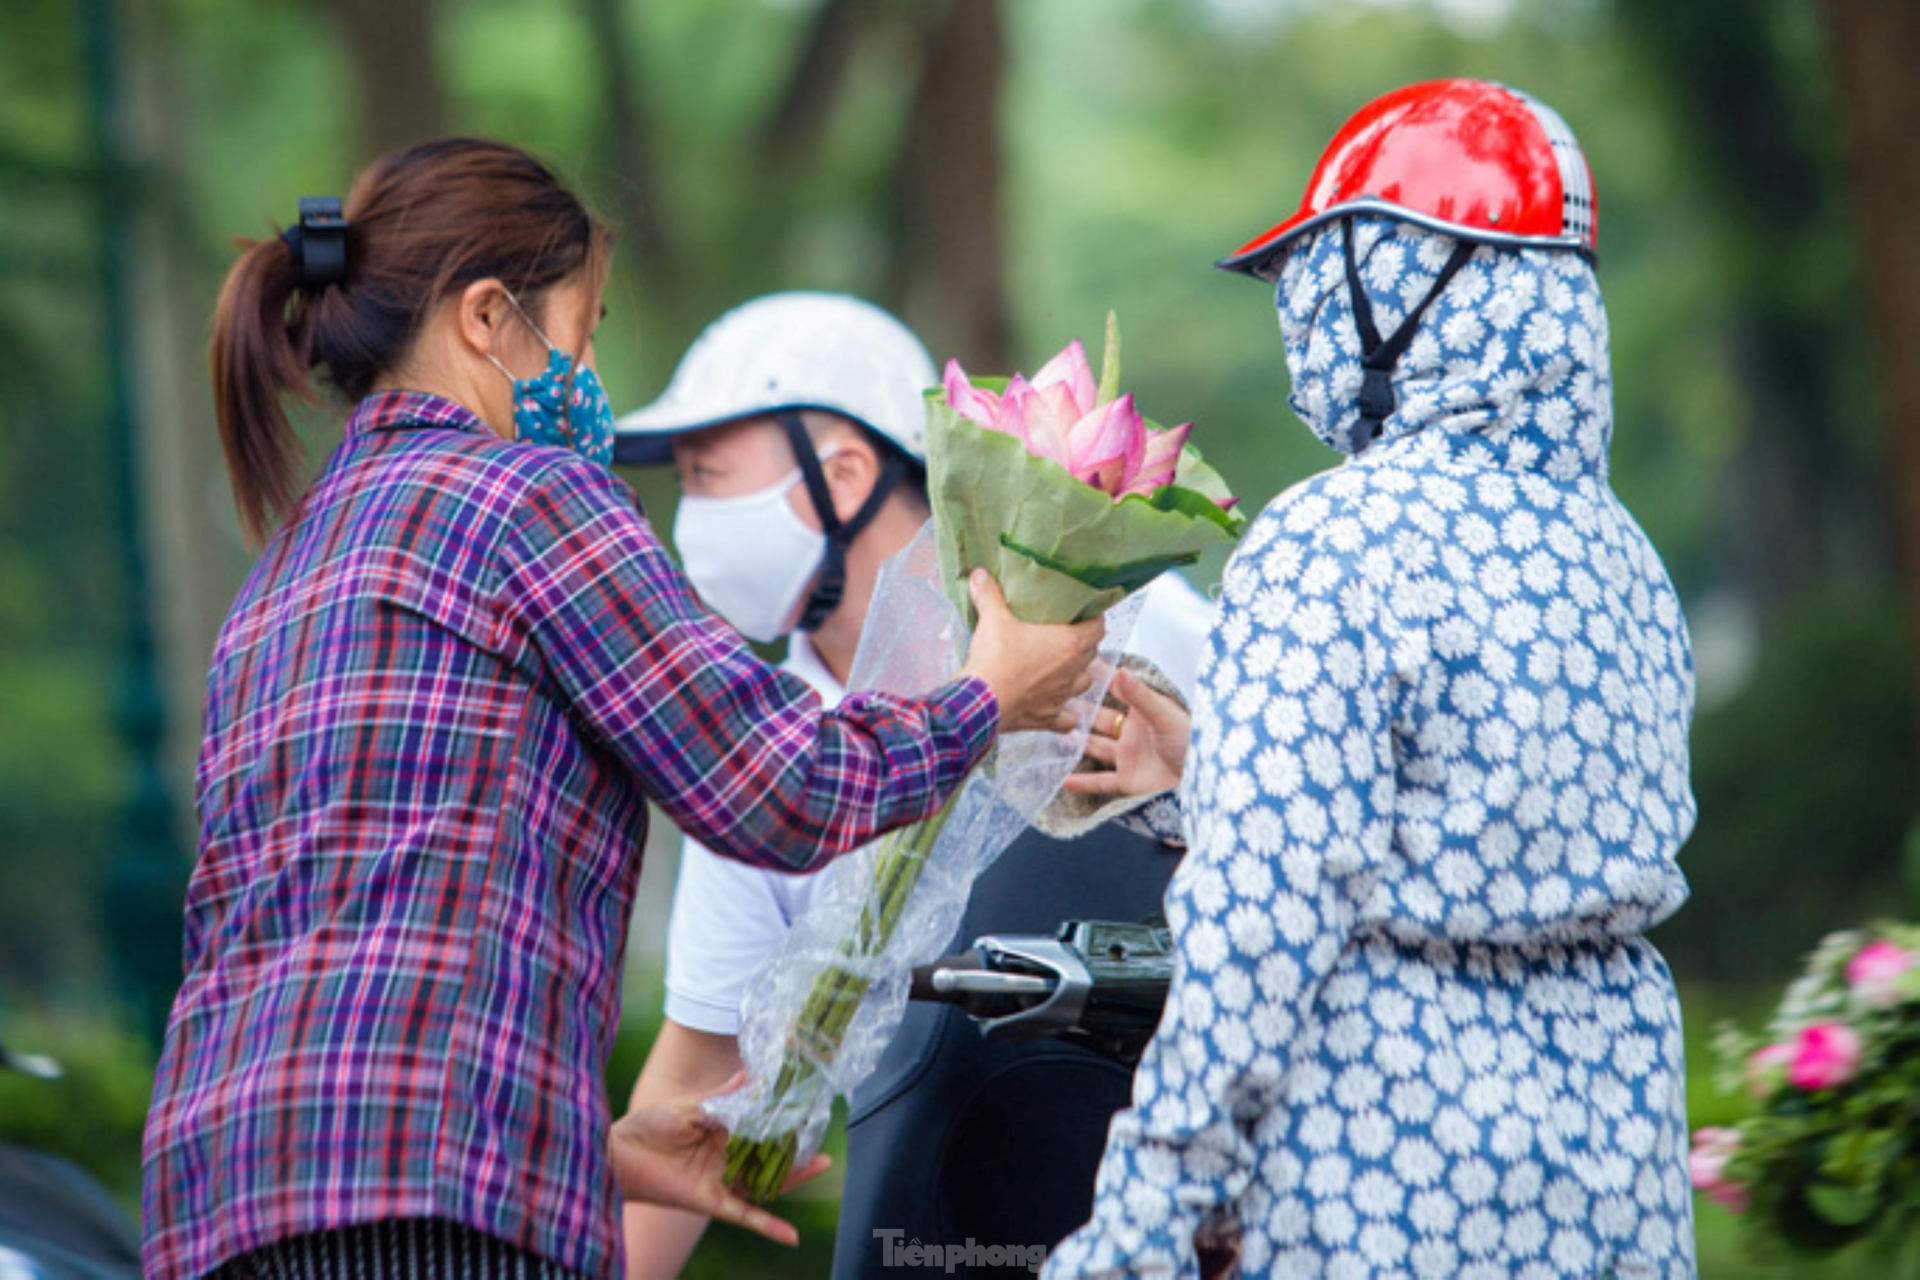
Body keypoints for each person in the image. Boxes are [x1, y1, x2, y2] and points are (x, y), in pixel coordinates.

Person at [140, 139, 1106, 1280]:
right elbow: (781, 785)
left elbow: (327, 948)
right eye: (584, 328)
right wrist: (989, 696)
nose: (586, 369)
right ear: (489, 318)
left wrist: (575, 1149)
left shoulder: (282, 573)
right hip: (428, 1227)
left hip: (216, 1200)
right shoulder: (524, 496)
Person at [1045, 80, 1699, 1278]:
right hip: (1622, 1198)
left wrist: (1137, 1226)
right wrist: (1213, 781)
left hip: (1390, 1190)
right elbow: (1482, 847)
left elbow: (1260, 930)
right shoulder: (1626, 559)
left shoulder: (1331, 541)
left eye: (1317, 281)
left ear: (1401, 282)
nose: (1298, 323)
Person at [610, 293, 1214, 1278]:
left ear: (841, 473)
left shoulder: (1136, 632)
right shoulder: (768, 758)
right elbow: (704, 1070)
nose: (690, 520)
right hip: (934, 1227)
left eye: (708, 477)